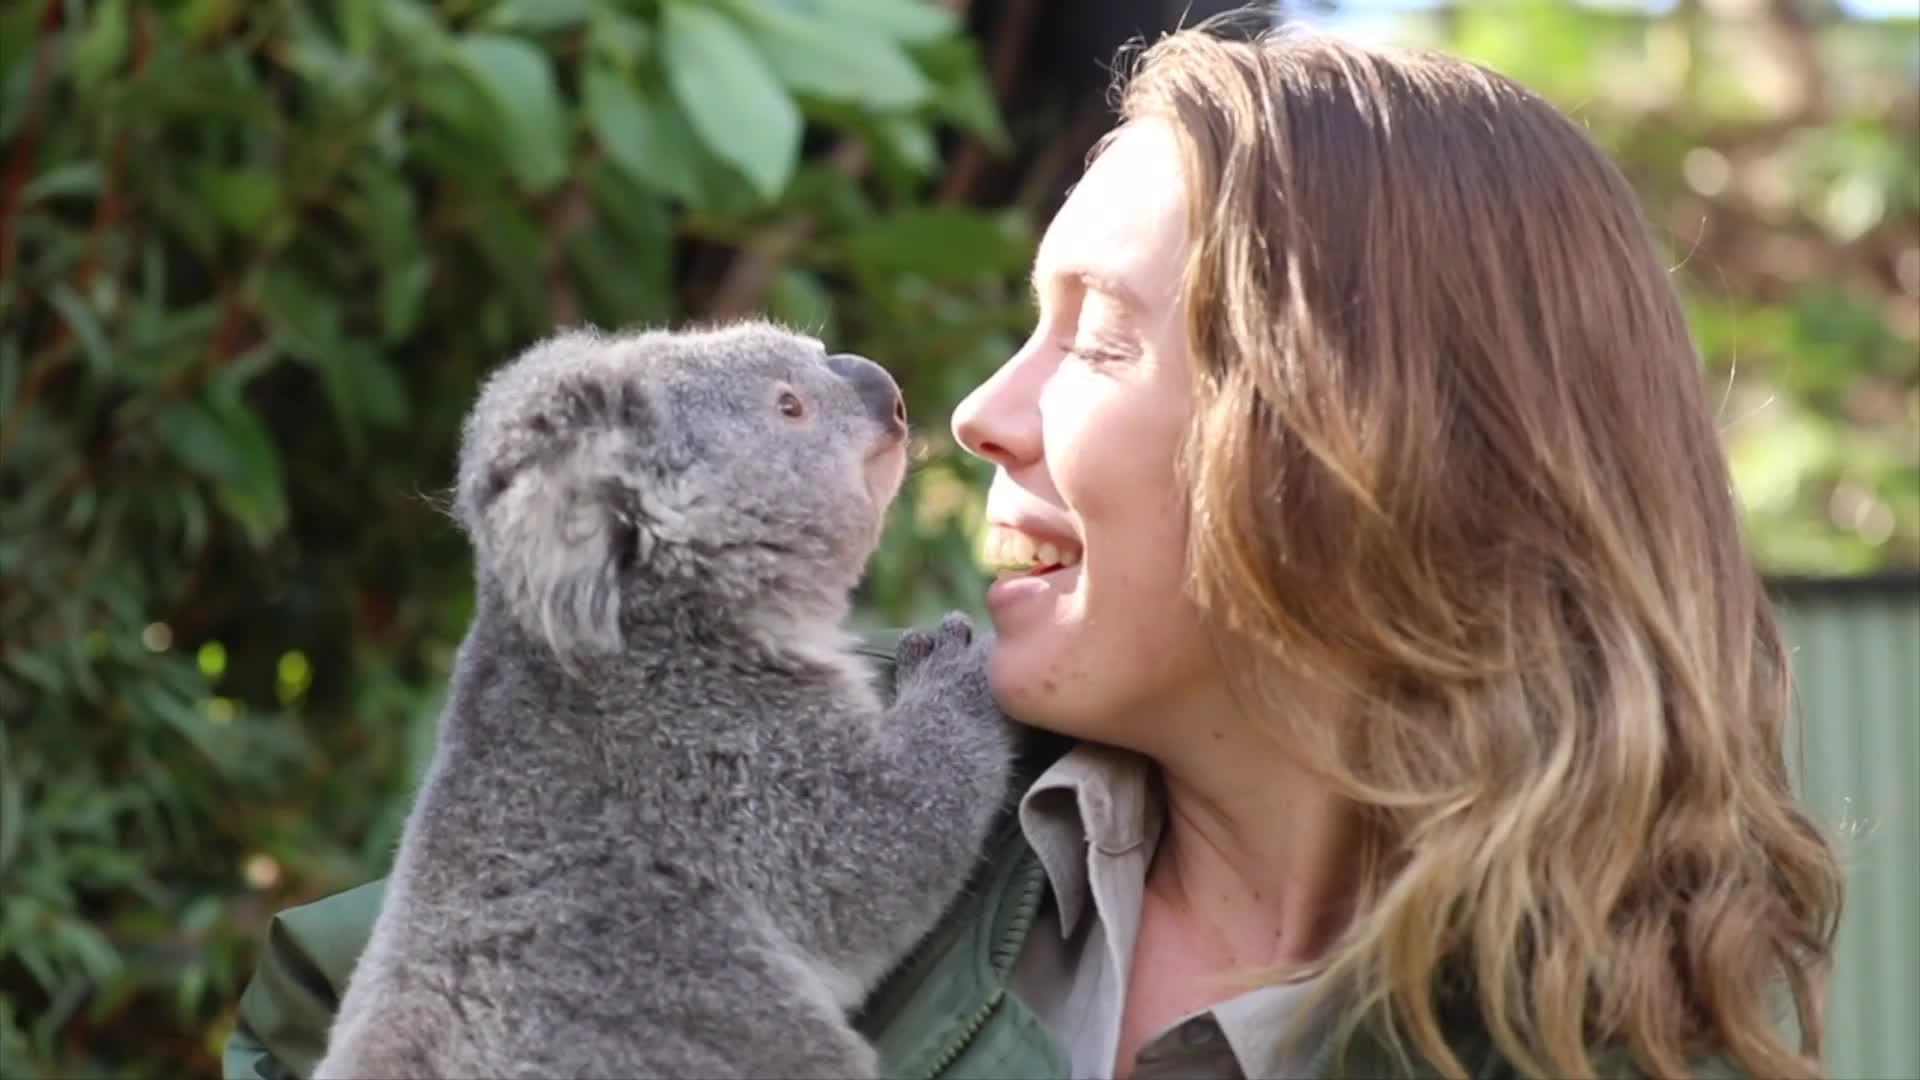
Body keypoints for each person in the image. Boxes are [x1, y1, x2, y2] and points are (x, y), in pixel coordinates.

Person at [222, 23, 1844, 1080]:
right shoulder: (793, 766)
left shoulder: (1594, 1044)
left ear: (1372, 436)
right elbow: (340, 1008)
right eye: (1024, 327)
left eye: (1104, 341)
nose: (983, 413)